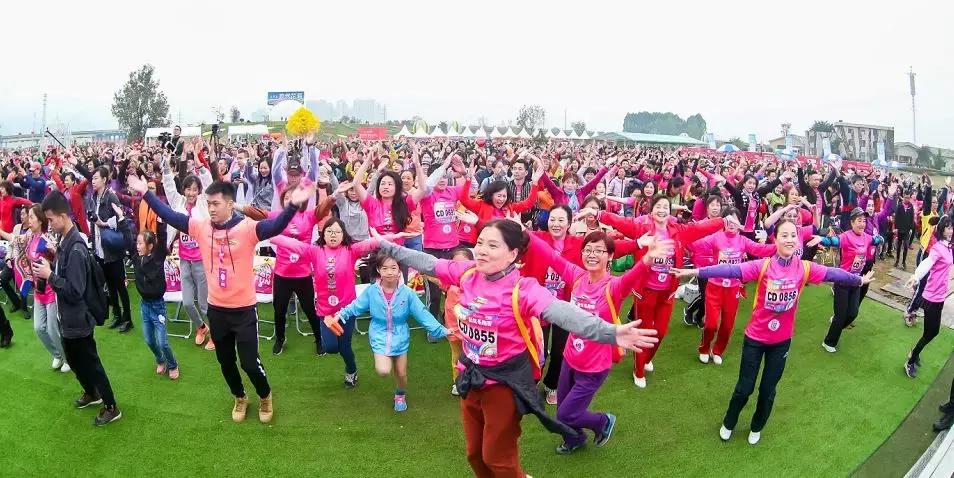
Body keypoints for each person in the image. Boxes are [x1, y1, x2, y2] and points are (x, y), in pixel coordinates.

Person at [375, 219, 659, 477]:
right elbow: (426, 262)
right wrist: (387, 246)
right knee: (475, 455)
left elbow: (561, 312)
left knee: (497, 458)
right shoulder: (467, 273)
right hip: (470, 378)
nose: (482, 250)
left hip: (504, 384)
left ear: (513, 254)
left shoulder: (523, 289)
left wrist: (608, 332)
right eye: (480, 243)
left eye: (492, 245)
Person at [671, 219, 873, 445]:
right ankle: (729, 422)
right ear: (775, 240)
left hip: (781, 342)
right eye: (784, 235)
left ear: (798, 241)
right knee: (744, 388)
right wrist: (698, 271)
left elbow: (833, 274)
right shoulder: (763, 265)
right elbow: (730, 269)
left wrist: (858, 279)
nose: (789, 239)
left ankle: (757, 426)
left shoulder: (804, 268)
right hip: (755, 339)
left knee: (768, 390)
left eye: (792, 236)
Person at [133, 174, 314, 424]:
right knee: (226, 362)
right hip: (216, 311)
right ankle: (239, 396)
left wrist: (293, 204)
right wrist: (147, 194)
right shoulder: (200, 227)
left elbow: (275, 227)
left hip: (244, 311)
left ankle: (265, 395)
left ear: (230, 204)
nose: (211, 208)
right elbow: (170, 216)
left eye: (216, 203)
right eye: (208, 203)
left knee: (250, 363)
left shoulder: (247, 228)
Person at [527, 230, 673, 454]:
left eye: (599, 250)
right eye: (588, 250)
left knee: (567, 413)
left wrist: (647, 259)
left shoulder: (613, 286)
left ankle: (603, 421)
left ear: (611, 256)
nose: (592, 254)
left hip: (594, 366)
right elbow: (551, 256)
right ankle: (574, 439)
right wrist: (523, 231)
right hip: (570, 357)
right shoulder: (576, 276)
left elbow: (633, 276)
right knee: (563, 412)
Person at [579, 196, 729, 388]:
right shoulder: (642, 228)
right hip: (645, 290)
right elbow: (620, 221)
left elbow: (701, 228)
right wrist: (598, 213)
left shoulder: (678, 231)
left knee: (661, 331)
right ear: (652, 210)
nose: (662, 210)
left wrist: (723, 221)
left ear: (670, 211)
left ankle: (646, 358)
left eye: (665, 207)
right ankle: (638, 370)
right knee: (644, 332)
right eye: (658, 206)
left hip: (667, 291)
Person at [269, 218, 408, 387]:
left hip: (347, 309)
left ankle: (351, 370)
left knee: (344, 346)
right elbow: (290, 243)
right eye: (329, 231)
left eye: (337, 232)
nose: (333, 235)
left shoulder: (351, 250)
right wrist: (264, 232)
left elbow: (372, 242)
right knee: (330, 347)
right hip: (325, 311)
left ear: (343, 235)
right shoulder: (314, 251)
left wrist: (396, 236)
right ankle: (345, 360)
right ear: (323, 234)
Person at [35, 191, 122, 426]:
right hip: (69, 318)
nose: (49, 224)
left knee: (91, 363)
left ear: (63, 216)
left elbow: (74, 290)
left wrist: (49, 275)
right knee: (74, 360)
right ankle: (91, 393)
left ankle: (111, 406)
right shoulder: (65, 241)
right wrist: (52, 264)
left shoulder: (75, 247)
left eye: (51, 219)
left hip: (79, 319)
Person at [326, 250, 448, 412]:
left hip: (400, 335)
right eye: (384, 268)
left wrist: (442, 331)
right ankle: (386, 358)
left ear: (399, 270)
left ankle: (400, 395)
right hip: (379, 334)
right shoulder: (371, 291)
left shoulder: (408, 294)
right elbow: (355, 306)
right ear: (378, 270)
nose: (389, 272)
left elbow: (422, 314)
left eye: (393, 268)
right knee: (383, 371)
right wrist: (339, 316)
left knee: (401, 374)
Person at [688, 208, 776, 364]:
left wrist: (779, 246)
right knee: (711, 324)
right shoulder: (716, 237)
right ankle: (704, 348)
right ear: (724, 221)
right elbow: (695, 245)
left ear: (739, 223)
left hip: (733, 289)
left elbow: (760, 249)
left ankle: (718, 351)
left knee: (727, 325)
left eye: (735, 219)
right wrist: (681, 236)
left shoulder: (743, 240)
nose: (732, 223)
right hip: (714, 287)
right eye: (729, 219)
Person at [162, 148, 216, 350]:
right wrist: (166, 165)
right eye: (188, 189)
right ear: (184, 190)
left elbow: (210, 183)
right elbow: (168, 185)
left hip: (201, 259)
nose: (192, 193)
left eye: (195, 189)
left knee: (204, 303)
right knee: (186, 303)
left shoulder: (204, 202)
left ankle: (216, 334)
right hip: (183, 259)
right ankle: (201, 327)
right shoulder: (178, 202)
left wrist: (200, 163)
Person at [121, 203, 178, 380]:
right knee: (149, 340)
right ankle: (159, 359)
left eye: (141, 243)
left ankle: (173, 364)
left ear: (150, 246)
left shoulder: (157, 258)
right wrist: (122, 220)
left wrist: (160, 222)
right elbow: (128, 239)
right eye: (137, 243)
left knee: (163, 341)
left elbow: (161, 236)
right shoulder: (137, 259)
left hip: (157, 306)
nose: (137, 246)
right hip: (145, 306)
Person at [268, 186, 325, 356]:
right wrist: (237, 207)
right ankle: (280, 338)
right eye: (286, 198)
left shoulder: (309, 216)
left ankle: (319, 339)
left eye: (294, 197)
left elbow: (324, 208)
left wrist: (331, 194)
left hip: (303, 274)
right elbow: (257, 214)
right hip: (282, 274)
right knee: (279, 310)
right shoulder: (277, 217)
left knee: (309, 309)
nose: (290, 200)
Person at [818, 208, 884, 353]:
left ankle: (837, 323)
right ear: (852, 222)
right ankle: (829, 341)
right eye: (859, 221)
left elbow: (875, 240)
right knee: (841, 316)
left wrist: (881, 238)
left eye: (864, 221)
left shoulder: (866, 237)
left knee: (853, 313)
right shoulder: (846, 236)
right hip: (842, 281)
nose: (862, 224)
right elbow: (834, 241)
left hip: (857, 281)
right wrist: (822, 239)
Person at [902, 215, 953, 379]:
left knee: (933, 332)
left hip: (940, 296)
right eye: (948, 227)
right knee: (930, 332)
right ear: (942, 229)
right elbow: (927, 263)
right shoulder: (938, 248)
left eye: (952, 227)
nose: (951, 230)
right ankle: (911, 358)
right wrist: (916, 276)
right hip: (931, 296)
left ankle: (915, 354)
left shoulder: (949, 247)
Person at [88, 166, 132, 333]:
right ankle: (117, 315)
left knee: (120, 285)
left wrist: (104, 223)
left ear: (105, 179)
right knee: (110, 286)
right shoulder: (94, 197)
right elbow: (93, 217)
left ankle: (128, 319)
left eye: (96, 178)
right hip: (100, 248)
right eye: (92, 178)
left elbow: (120, 217)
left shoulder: (111, 196)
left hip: (112, 249)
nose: (93, 181)